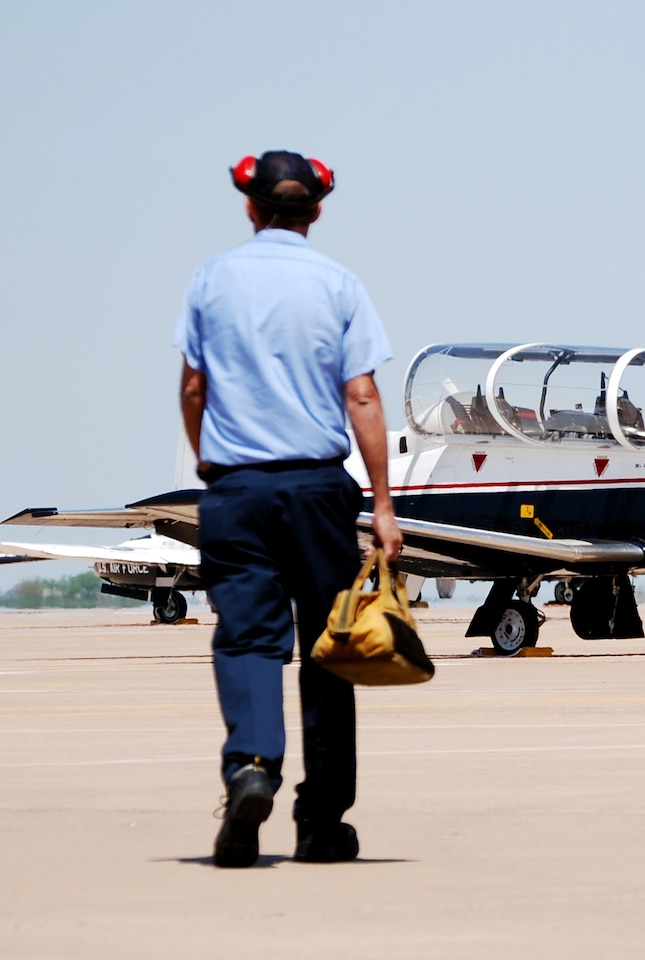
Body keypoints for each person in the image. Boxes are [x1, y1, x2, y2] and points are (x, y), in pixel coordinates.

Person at [177, 151, 402, 867]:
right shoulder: (338, 285)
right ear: (317, 211)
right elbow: (361, 394)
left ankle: (251, 769)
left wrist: (209, 459)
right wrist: (385, 505)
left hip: (236, 490)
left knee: (247, 641)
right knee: (331, 646)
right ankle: (321, 823)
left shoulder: (212, 279)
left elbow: (192, 387)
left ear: (250, 207)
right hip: (316, 491)